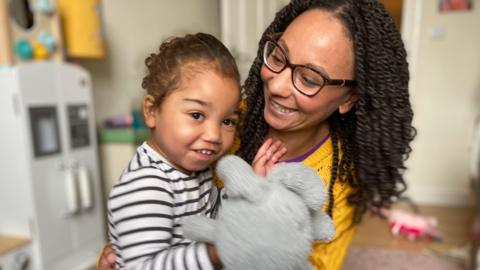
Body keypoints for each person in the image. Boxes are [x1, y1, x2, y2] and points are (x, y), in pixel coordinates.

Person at [98, 0, 415, 269]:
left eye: (308, 78)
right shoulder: (225, 118)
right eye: (278, 56)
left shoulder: (341, 182)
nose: (275, 85)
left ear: (349, 98)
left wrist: (250, 196)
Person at [106, 33, 287, 269]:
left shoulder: (192, 169)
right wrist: (217, 253)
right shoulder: (146, 185)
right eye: (197, 115)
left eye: (228, 121)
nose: (213, 135)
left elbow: (214, 217)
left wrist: (250, 187)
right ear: (152, 111)